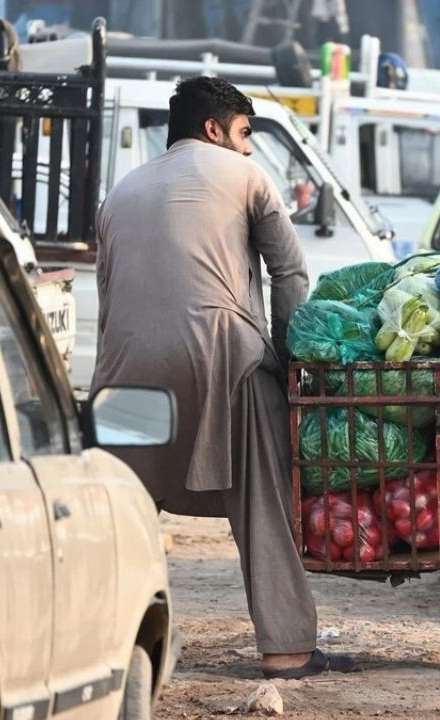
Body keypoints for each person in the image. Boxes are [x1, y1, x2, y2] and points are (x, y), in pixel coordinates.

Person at [91, 76, 355, 679]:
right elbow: (290, 274)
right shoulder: (248, 179)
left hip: (125, 372)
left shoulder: (122, 190)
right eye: (244, 134)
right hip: (223, 357)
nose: (247, 149)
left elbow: (109, 297)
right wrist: (289, 364)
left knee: (125, 510)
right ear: (214, 129)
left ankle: (100, 648)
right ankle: (287, 648)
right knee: (264, 499)